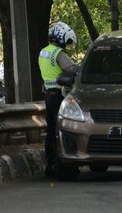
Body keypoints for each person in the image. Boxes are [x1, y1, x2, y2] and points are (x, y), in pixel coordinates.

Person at [38, 22, 79, 176]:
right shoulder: (59, 54)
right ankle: (65, 163)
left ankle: (50, 163)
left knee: (50, 131)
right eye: (67, 41)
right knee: (63, 129)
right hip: (59, 96)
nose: (67, 45)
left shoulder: (43, 52)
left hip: (48, 95)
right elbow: (72, 70)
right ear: (61, 37)